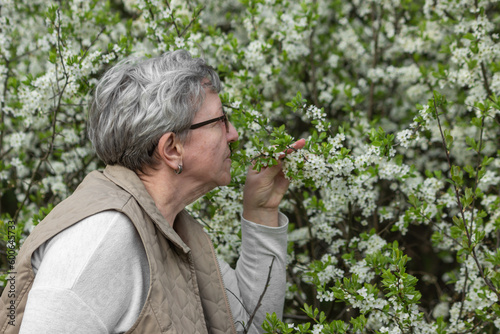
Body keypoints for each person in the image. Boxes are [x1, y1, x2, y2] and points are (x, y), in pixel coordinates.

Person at [0, 50, 305, 334]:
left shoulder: (177, 232)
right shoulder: (100, 242)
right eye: (221, 121)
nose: (234, 134)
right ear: (172, 149)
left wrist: (261, 211)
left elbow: (251, 326)